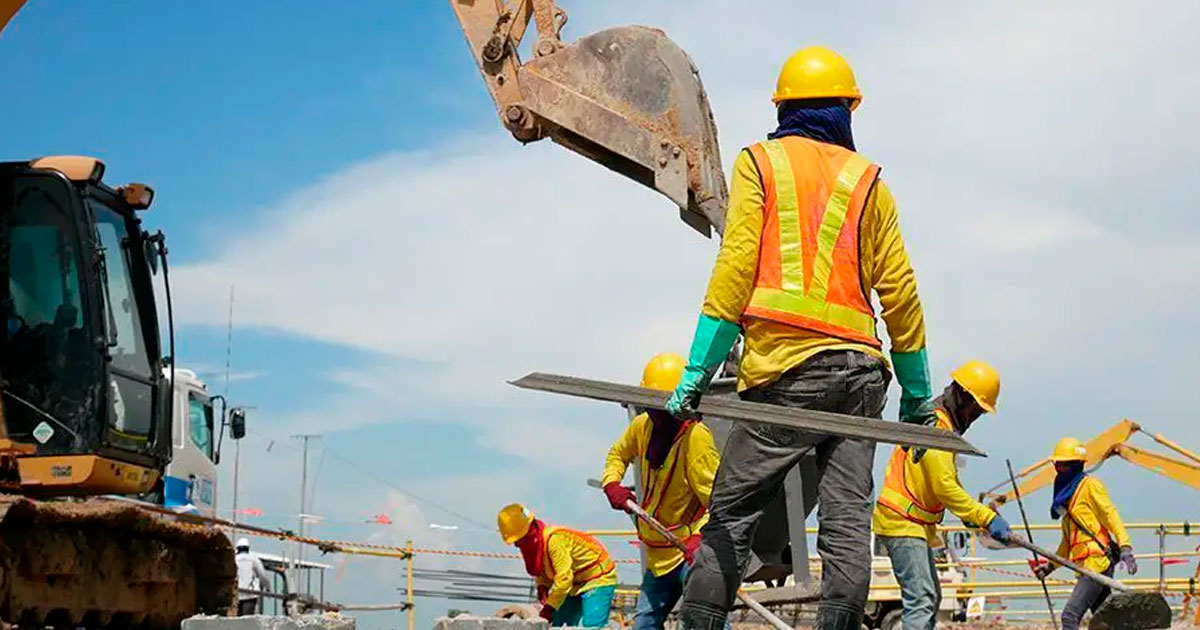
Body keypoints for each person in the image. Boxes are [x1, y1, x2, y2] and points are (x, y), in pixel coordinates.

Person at [665, 45, 933, 630]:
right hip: (862, 377)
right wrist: (917, 395)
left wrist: (696, 374)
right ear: (845, 109)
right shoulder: (869, 183)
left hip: (786, 373)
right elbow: (902, 292)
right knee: (846, 520)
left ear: (783, 108)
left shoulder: (760, 164)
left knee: (731, 516)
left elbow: (734, 272)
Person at [871, 361, 1012, 630]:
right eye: (977, 410)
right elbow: (944, 487)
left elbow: (947, 481)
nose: (975, 417)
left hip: (913, 524)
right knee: (922, 599)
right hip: (902, 522)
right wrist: (986, 517)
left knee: (929, 596)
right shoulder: (936, 426)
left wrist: (972, 519)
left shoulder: (940, 424)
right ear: (963, 397)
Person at [601, 352, 721, 630]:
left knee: (703, 621)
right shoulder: (642, 426)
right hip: (658, 554)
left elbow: (718, 500)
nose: (655, 413)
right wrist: (612, 483)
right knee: (644, 623)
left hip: (689, 553)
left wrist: (702, 537)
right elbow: (617, 455)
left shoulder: (696, 438)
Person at [1030, 438, 1137, 630]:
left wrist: (1125, 546)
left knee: (1069, 616)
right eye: (1057, 465)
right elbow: (1067, 544)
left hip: (1097, 563)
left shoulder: (1089, 486)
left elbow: (1110, 515)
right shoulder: (1067, 499)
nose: (1059, 470)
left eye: (1063, 465)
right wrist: (1049, 568)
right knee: (1105, 621)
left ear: (1076, 465)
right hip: (1085, 566)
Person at [498, 503, 618, 627]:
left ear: (528, 532)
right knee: (558, 623)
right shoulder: (535, 545)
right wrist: (542, 586)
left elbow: (564, 578)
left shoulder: (554, 540)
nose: (517, 545)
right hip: (574, 583)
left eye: (518, 540)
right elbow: (543, 567)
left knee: (592, 626)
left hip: (597, 577)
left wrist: (549, 607)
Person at [235, 537, 272, 616]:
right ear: (248, 548)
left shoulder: (233, 559)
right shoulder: (254, 559)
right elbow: (263, 575)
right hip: (250, 595)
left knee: (236, 621)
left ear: (237, 548)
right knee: (247, 621)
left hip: (236, 595)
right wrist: (268, 588)